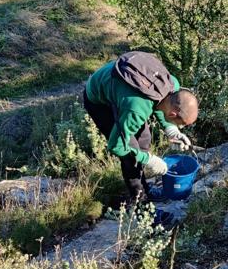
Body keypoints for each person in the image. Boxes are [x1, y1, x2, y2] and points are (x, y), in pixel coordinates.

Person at [83, 51, 199, 206]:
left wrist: (172, 130)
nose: (181, 127)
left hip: (125, 92)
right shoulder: (136, 109)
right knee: (130, 156)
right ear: (173, 113)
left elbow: (160, 104)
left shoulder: (173, 86)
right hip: (100, 101)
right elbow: (116, 146)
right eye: (181, 124)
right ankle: (141, 203)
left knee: (143, 139)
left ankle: (146, 189)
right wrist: (149, 159)